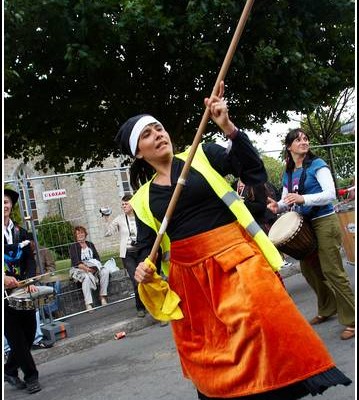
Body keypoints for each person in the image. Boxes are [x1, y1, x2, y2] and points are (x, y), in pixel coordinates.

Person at [114, 81, 351, 400]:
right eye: (147, 134)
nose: (158, 134)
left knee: (264, 329)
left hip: (238, 260)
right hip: (192, 282)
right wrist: (142, 270)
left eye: (159, 128)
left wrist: (227, 126)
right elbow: (146, 251)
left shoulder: (201, 154)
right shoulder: (143, 199)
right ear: (137, 152)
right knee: (215, 354)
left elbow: (253, 172)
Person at [267, 128, 355, 341]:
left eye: (306, 139)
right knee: (309, 270)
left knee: (332, 270)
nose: (304, 142)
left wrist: (303, 199)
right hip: (305, 225)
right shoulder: (288, 172)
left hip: (324, 221)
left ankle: (352, 319)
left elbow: (330, 194)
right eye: (298, 140)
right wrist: (276, 206)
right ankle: (327, 308)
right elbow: (287, 199)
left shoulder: (318, 165)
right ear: (289, 147)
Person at [4, 187, 42, 394]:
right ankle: (31, 376)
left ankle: (9, 369)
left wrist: (28, 280)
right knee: (15, 335)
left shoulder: (21, 232)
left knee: (28, 332)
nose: (4, 206)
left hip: (23, 289)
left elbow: (29, 259)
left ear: (11, 206)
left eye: (6, 202)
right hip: (3, 294)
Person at [103, 194, 147, 317]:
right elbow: (108, 233)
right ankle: (140, 308)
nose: (123, 206)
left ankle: (150, 304)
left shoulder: (140, 216)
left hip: (141, 251)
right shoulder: (120, 219)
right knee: (136, 280)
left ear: (132, 204)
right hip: (128, 254)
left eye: (125, 204)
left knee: (145, 278)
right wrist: (106, 219)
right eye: (122, 204)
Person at [68, 225, 110, 311]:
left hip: (92, 267)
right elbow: (76, 262)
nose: (80, 235)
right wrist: (87, 269)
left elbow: (97, 258)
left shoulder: (90, 244)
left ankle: (102, 297)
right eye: (78, 233)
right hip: (79, 269)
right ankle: (88, 304)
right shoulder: (74, 246)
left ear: (85, 234)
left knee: (105, 271)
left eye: (82, 233)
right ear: (75, 236)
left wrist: (93, 268)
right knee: (86, 277)